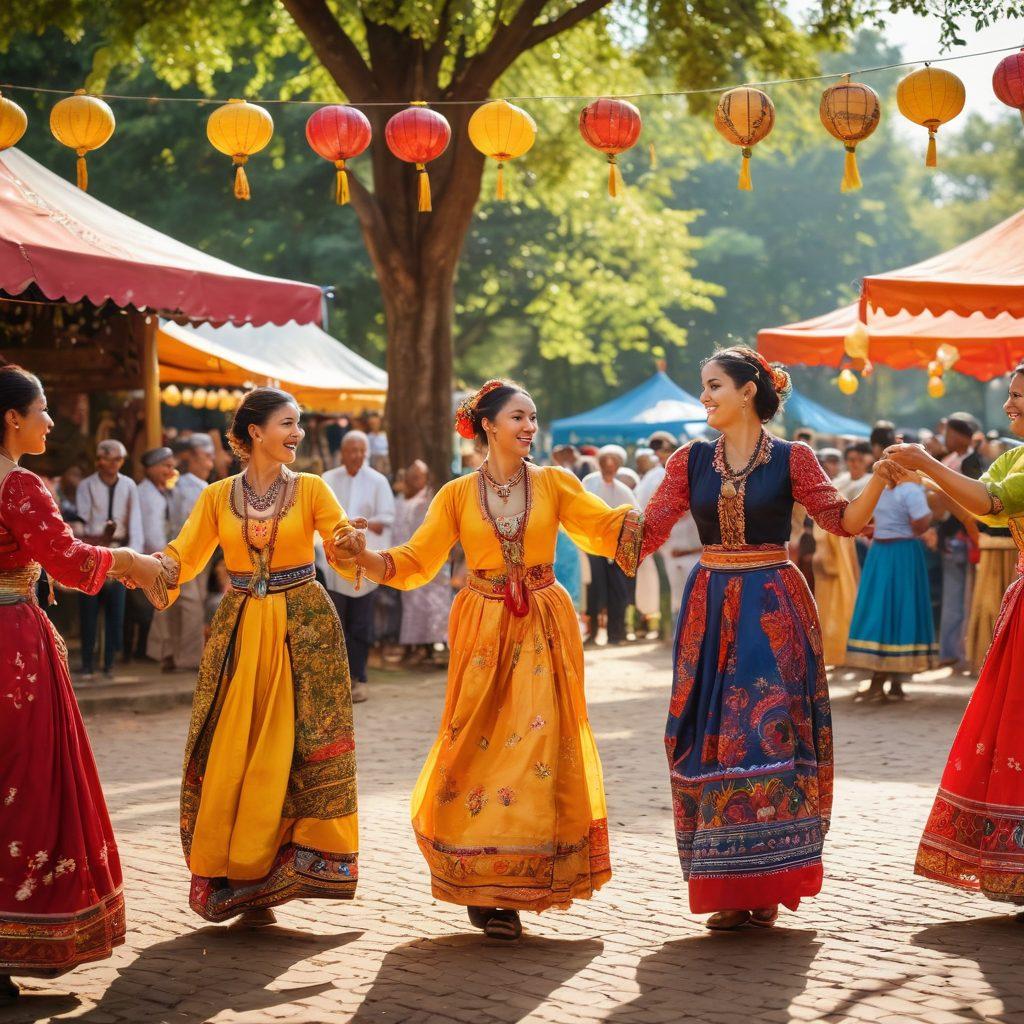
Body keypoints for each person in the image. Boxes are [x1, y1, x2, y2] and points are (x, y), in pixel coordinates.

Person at [334, 379, 642, 941]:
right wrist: (364, 557)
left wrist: (660, 514)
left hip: (544, 627)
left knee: (538, 744)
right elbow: (415, 560)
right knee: (475, 746)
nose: (530, 426)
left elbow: (603, 528)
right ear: (489, 426)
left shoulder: (554, 482)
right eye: (519, 417)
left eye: (533, 417)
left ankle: (518, 885)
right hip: (481, 627)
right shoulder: (454, 494)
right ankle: (484, 880)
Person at [637, 346, 896, 931]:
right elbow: (644, 531)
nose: (704, 397)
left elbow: (845, 521)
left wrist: (878, 477)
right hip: (707, 608)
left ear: (748, 390)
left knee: (763, 735)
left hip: (773, 607)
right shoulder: (688, 461)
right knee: (703, 736)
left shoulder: (793, 458)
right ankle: (724, 881)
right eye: (704, 387)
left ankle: (767, 882)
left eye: (712, 386)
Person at [149, 387, 361, 925]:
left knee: (294, 747)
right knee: (236, 747)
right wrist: (144, 567)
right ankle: (236, 870)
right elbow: (185, 555)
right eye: (288, 423)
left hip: (304, 629)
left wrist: (350, 543)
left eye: (299, 423)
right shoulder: (218, 496)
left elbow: (338, 542)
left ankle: (289, 866)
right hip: (241, 627)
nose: (298, 433)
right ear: (254, 434)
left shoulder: (312, 488)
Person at [0, 366, 162, 999]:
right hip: (11, 647)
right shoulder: (20, 489)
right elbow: (67, 562)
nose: (51, 420)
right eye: (42, 409)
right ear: (12, 417)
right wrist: (131, 563)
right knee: (26, 783)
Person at [887, 366, 1024, 905]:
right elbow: (982, 505)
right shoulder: (1014, 456)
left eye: (1017, 396)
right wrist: (926, 476)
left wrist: (925, 464)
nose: (1009, 406)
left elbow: (993, 505)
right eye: (1010, 395)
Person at [845, 422, 935, 701]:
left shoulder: (879, 486)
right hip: (903, 554)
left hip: (882, 555)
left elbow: (870, 520)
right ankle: (892, 680)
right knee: (900, 610)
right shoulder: (911, 490)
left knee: (880, 611)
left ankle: (881, 680)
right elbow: (920, 525)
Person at [318, 430, 395, 703]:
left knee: (362, 624)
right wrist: (344, 525)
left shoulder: (377, 480)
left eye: (362, 451)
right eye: (352, 450)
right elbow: (319, 519)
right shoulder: (327, 480)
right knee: (336, 624)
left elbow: (387, 518)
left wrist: (362, 525)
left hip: (366, 561)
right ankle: (339, 680)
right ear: (342, 452)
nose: (357, 456)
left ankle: (360, 677)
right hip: (336, 564)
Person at [76, 439, 144, 679]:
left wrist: (134, 554)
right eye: (109, 459)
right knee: (89, 609)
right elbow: (81, 521)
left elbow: (135, 520)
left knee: (116, 610)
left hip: (119, 552)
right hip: (92, 552)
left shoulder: (128, 486)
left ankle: (109, 662)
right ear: (99, 460)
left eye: (118, 460)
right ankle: (86, 662)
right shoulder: (86, 486)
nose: (114, 464)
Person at [151, 435, 215, 672]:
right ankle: (187, 657)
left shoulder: (177, 485)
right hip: (191, 552)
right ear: (195, 457)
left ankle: (170, 652)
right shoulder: (199, 489)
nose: (210, 463)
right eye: (207, 457)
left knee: (173, 600)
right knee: (191, 603)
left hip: (173, 550)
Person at [935, 414, 982, 670]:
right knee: (956, 596)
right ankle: (953, 651)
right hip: (952, 535)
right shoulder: (950, 461)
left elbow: (967, 505)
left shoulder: (971, 463)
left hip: (961, 535)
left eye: (949, 433)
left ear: (962, 435)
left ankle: (961, 652)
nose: (946, 439)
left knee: (964, 596)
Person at [392, 459, 451, 664]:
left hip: (430, 561)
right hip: (405, 560)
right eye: (413, 476)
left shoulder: (432, 500)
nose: (415, 480)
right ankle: (412, 647)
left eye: (420, 476)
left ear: (426, 478)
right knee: (411, 606)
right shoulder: (400, 500)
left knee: (431, 607)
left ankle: (429, 649)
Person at [637, 431, 702, 617]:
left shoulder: (697, 473)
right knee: (670, 599)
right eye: (658, 449)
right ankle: (667, 634)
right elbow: (643, 511)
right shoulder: (654, 477)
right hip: (665, 551)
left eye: (666, 449)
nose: (661, 453)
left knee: (695, 604)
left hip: (698, 551)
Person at [582, 445, 639, 645]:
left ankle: (617, 633)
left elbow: (635, 514)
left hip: (617, 547)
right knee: (595, 590)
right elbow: (582, 509)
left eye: (613, 462)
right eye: (606, 461)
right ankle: (593, 632)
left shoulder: (623, 489)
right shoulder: (589, 482)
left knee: (618, 589)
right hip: (594, 545)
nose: (609, 465)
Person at [126, 446, 176, 662]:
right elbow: (152, 531)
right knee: (144, 609)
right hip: (148, 556)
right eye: (166, 465)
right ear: (152, 468)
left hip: (152, 556)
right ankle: (140, 652)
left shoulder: (157, 491)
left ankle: (141, 651)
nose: (171, 469)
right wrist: (164, 558)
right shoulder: (147, 494)